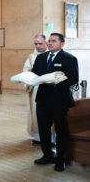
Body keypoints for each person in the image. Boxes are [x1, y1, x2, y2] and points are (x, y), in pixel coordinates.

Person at [32, 33, 79, 172]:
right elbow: (35, 74)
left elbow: (73, 79)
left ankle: (60, 159)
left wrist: (56, 82)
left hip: (60, 100)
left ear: (62, 44)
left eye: (54, 41)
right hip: (42, 100)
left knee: (61, 130)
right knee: (43, 129)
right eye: (49, 41)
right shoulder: (40, 58)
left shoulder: (69, 59)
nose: (50, 43)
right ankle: (47, 155)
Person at [23, 34, 56, 145]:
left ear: (46, 43)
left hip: (50, 89)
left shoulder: (53, 55)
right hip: (36, 88)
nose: (38, 46)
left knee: (50, 115)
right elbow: (26, 71)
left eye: (40, 43)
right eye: (36, 44)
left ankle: (51, 139)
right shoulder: (31, 57)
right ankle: (38, 138)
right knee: (37, 114)